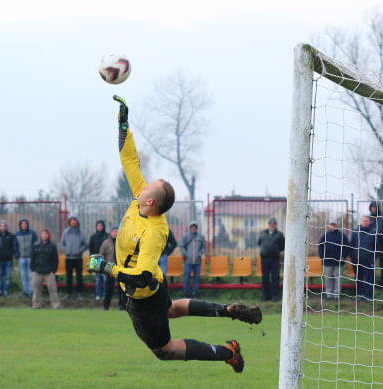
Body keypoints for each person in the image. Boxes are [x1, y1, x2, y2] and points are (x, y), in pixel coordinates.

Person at [86, 96, 262, 373]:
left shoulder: (154, 232)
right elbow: (130, 159)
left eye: (147, 189)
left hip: (143, 294)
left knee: (164, 351)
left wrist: (105, 267)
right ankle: (226, 310)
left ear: (151, 202)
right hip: (154, 285)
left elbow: (141, 275)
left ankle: (227, 353)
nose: (141, 188)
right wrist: (123, 126)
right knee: (171, 309)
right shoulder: (140, 202)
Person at [317, 219, 350, 300]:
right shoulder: (325, 235)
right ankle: (329, 295)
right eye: (331, 224)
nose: (333, 226)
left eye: (334, 224)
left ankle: (336, 295)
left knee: (339, 279)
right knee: (328, 278)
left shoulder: (342, 235)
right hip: (327, 261)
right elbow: (320, 246)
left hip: (339, 262)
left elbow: (347, 247)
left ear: (337, 225)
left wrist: (343, 257)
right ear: (329, 225)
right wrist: (322, 257)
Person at [30, 228, 61, 309]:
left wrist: (53, 270)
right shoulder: (36, 245)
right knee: (36, 289)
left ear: (48, 235)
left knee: (52, 289)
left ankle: (55, 305)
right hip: (37, 271)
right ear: (40, 235)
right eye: (43, 234)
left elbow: (55, 259)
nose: (44, 235)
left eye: (46, 234)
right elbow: (32, 258)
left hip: (49, 272)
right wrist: (33, 269)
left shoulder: (52, 246)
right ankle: (36, 305)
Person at [60, 214, 87, 300]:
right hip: (68, 258)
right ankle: (68, 293)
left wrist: (78, 251)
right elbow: (62, 244)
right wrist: (66, 251)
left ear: (77, 222)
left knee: (79, 277)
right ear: (69, 222)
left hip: (78, 258)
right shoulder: (65, 232)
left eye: (74, 221)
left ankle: (80, 294)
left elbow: (85, 244)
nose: (73, 222)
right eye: (71, 221)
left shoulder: (82, 232)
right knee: (69, 277)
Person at [257, 217, 285, 301]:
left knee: (275, 277)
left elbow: (282, 246)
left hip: (275, 259)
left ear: (276, 225)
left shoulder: (280, 234)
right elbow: (259, 243)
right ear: (268, 224)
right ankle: (265, 296)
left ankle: (274, 296)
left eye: (274, 223)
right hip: (264, 259)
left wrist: (275, 251)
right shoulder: (263, 233)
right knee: (265, 278)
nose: (272, 225)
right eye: (270, 223)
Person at [350, 215, 377, 302]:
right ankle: (360, 295)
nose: (365, 222)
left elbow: (377, 248)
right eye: (363, 221)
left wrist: (373, 259)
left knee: (369, 279)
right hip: (357, 260)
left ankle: (369, 296)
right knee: (358, 278)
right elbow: (351, 245)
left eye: (366, 221)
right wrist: (353, 257)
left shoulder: (373, 233)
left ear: (369, 222)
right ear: (361, 222)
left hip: (368, 261)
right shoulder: (355, 232)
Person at [178, 222, 206, 298]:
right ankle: (186, 294)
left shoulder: (201, 237)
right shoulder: (185, 236)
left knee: (196, 278)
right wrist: (185, 253)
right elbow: (181, 246)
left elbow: (204, 246)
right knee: (186, 278)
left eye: (194, 227)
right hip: (188, 262)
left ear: (196, 228)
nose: (193, 228)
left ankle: (195, 293)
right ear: (190, 228)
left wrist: (200, 253)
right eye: (192, 227)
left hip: (197, 262)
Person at [101, 225, 125, 311]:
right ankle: (106, 306)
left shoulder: (123, 242)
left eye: (117, 231)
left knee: (122, 288)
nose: (115, 233)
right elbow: (101, 254)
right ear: (111, 233)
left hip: (121, 268)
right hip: (110, 268)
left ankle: (122, 306)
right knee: (108, 288)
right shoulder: (106, 242)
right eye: (114, 232)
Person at [14, 218, 38, 298]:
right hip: (21, 258)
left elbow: (36, 244)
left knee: (31, 276)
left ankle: (31, 292)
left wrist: (33, 255)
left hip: (30, 258)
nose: (24, 225)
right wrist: (17, 255)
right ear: (20, 225)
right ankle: (25, 292)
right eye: (22, 224)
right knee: (23, 276)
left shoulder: (32, 233)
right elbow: (15, 246)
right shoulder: (17, 234)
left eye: (25, 224)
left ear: (27, 224)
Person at [0, 220, 16, 297]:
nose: (3, 227)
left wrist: (10, 253)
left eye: (4, 226)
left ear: (6, 227)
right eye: (1, 226)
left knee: (8, 277)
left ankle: (6, 291)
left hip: (8, 260)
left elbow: (14, 247)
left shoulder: (11, 236)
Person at [88, 220, 109, 302]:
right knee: (98, 280)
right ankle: (97, 295)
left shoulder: (107, 236)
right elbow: (91, 249)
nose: (99, 227)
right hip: (96, 260)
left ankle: (105, 295)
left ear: (103, 226)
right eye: (98, 226)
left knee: (105, 279)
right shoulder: (93, 237)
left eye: (101, 226)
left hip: (105, 260)